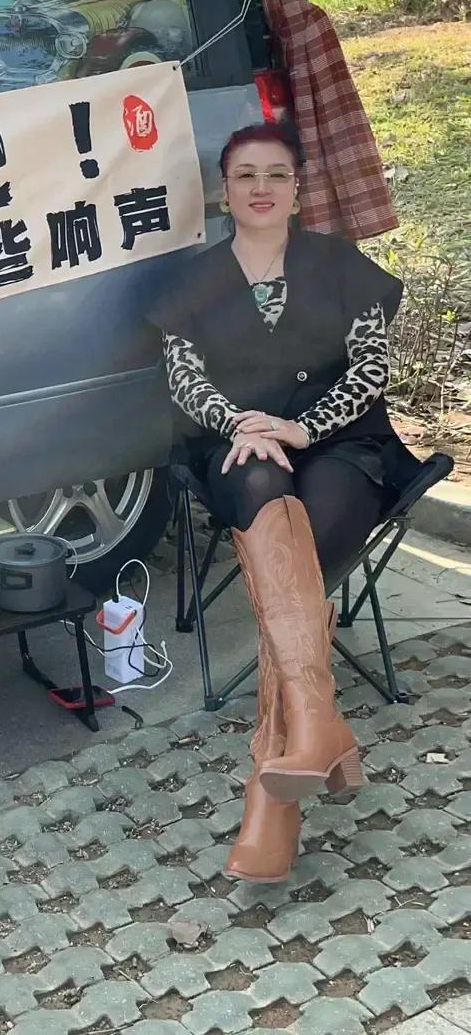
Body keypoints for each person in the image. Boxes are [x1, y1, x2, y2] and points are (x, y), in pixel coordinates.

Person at [150, 120, 417, 887]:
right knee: (265, 490)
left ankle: (280, 772)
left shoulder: (340, 265)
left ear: (298, 189)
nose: (261, 187)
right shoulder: (195, 281)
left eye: (277, 174)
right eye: (246, 175)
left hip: (341, 448)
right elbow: (184, 377)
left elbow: (369, 368)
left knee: (292, 568)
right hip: (238, 450)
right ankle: (310, 734)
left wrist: (304, 427)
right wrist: (241, 424)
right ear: (224, 192)